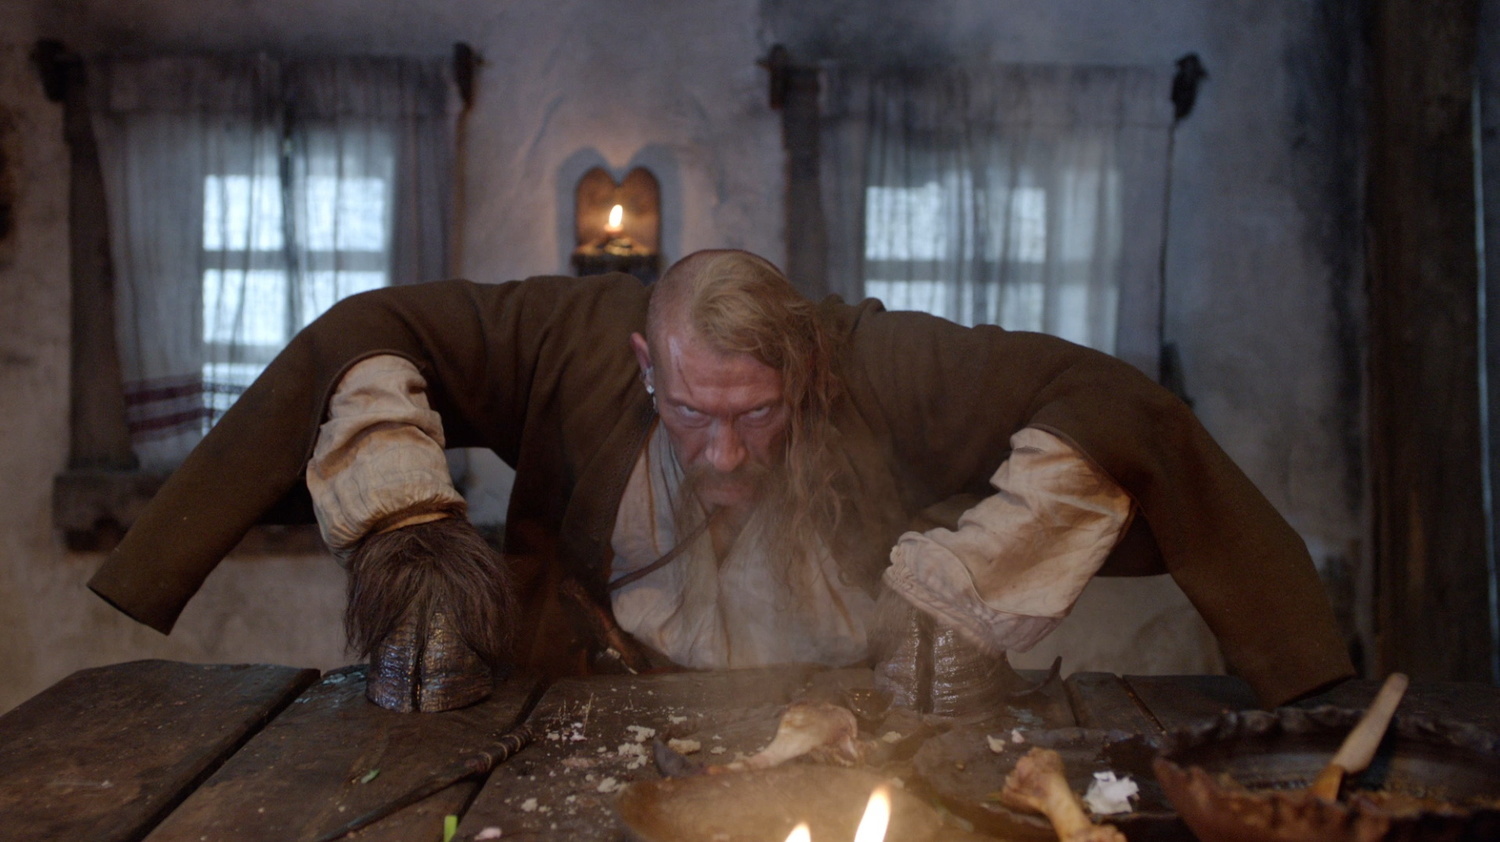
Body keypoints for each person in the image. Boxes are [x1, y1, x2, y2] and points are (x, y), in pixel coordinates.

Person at [88, 249, 1354, 713]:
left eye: (760, 414)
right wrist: (407, 527)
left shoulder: (878, 359)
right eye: (696, 413)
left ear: (804, 366)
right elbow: (366, 328)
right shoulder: (568, 339)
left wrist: (970, 584)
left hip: (845, 708)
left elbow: (1115, 403)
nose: (729, 452)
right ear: (648, 363)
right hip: (581, 694)